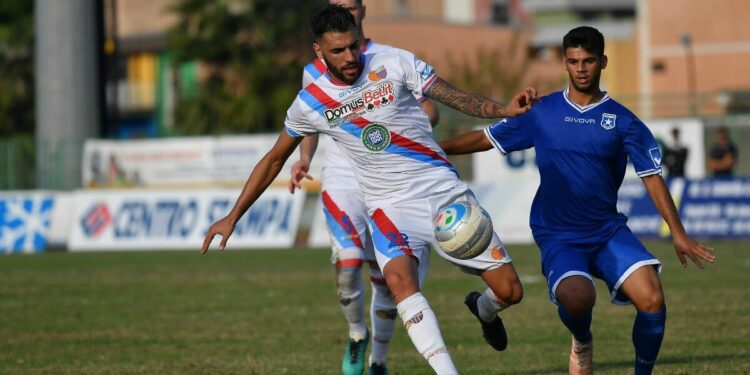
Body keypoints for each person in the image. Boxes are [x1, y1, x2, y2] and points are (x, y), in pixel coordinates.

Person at [202, 5, 538, 374]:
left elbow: (454, 97)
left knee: (510, 292)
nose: (349, 57)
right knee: (398, 283)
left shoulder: (394, 61)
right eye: (337, 51)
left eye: (353, 46)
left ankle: (484, 308)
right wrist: (233, 216)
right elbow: (273, 160)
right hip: (389, 206)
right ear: (318, 52)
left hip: (443, 193)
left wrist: (502, 109)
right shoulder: (310, 103)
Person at [438, 26, 715, 375]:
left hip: (607, 231)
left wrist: (678, 232)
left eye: (588, 60)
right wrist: (434, 149)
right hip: (559, 234)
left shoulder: (624, 121)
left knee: (653, 298)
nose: (581, 68)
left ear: (603, 61)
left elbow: (652, 179)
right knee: (578, 298)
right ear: (564, 63)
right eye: (573, 61)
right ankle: (582, 341)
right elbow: (486, 139)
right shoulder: (543, 112)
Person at [287, 1, 439, 374]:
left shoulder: (388, 60)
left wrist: (415, 122)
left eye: (349, 5)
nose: (345, 10)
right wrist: (304, 158)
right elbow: (309, 121)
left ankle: (379, 362)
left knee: (386, 277)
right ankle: (357, 334)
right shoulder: (314, 71)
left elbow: (428, 106)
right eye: (337, 5)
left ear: (362, 10)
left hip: (390, 178)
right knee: (350, 262)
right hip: (344, 178)